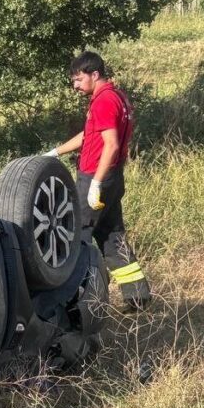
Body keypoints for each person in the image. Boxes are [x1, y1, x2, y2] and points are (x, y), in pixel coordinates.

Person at [44, 51, 151, 310]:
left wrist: (95, 184)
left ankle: (73, 303)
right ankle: (138, 297)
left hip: (97, 177)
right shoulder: (116, 97)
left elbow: (111, 145)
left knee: (75, 237)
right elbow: (88, 135)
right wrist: (56, 152)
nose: (76, 86)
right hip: (113, 178)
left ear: (95, 74)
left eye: (79, 80)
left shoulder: (103, 101)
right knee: (112, 236)